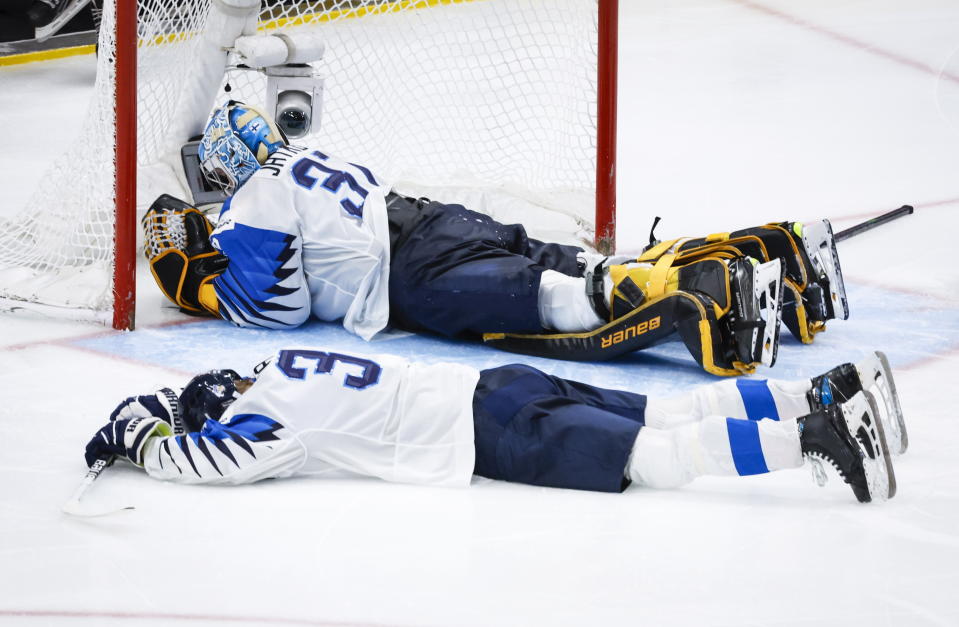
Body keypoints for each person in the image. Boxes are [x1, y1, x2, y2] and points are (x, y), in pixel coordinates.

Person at [143, 101, 848, 375]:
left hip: (412, 271)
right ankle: (765, 258)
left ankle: (706, 289)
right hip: (438, 219)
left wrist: (201, 283)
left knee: (547, 300)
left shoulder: (253, 200)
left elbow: (280, 308)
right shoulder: (312, 160)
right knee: (581, 267)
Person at [84, 348, 905, 503]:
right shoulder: (282, 363)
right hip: (496, 382)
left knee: (653, 456)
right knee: (668, 408)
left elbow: (229, 461)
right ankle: (826, 391)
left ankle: (816, 438)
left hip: (482, 429)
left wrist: (148, 443)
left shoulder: (266, 417)